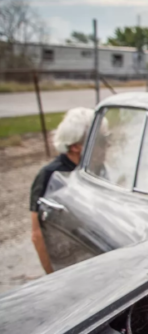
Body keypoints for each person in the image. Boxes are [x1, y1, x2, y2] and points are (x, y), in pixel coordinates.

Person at [29, 107, 95, 274]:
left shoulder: (95, 169)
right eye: (99, 138)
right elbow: (38, 235)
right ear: (76, 146)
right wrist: (54, 278)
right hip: (68, 268)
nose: (106, 142)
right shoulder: (49, 176)